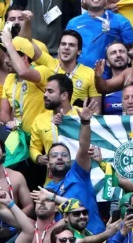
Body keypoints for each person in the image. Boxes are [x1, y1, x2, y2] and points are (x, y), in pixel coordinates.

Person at [44, 99, 104, 234]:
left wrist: (85, 122)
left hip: (96, 239)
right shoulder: (46, 191)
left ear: (70, 160)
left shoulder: (78, 173)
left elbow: (83, 147)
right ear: (48, 164)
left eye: (64, 155)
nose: (59, 157)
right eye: (54, 156)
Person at [66, 0, 133, 69]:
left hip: (112, 78)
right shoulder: (73, 23)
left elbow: (131, 51)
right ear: (84, 0)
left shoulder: (121, 21)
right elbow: (66, 51)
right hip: (80, 77)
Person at [33, 32, 101, 109]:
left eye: (71, 45)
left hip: (76, 120)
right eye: (63, 44)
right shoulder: (50, 63)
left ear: (79, 51)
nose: (66, 47)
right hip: (50, 119)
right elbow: (27, 43)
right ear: (58, 48)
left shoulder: (90, 73)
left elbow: (96, 111)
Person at [30, 74, 80, 169]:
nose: (45, 95)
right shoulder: (39, 120)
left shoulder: (82, 115)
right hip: (53, 179)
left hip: (80, 177)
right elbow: (34, 147)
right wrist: (38, 157)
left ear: (64, 95)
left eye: (50, 91)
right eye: (45, 91)